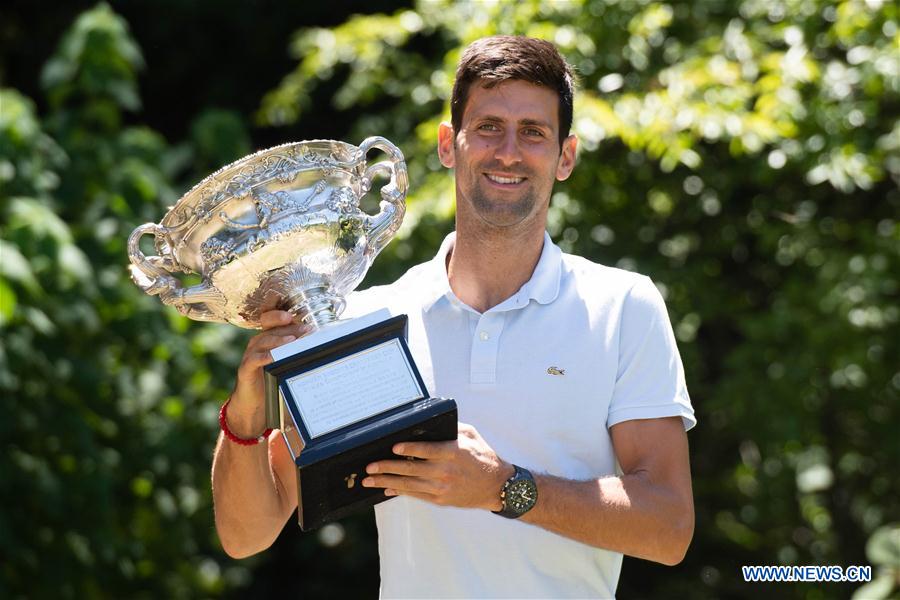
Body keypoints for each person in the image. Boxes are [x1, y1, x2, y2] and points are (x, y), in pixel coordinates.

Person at [212, 35, 696, 598]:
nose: (509, 152)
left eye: (533, 132)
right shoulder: (370, 319)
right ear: (449, 145)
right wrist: (246, 415)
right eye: (488, 126)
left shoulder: (623, 307)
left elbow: (669, 528)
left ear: (566, 157)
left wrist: (502, 488)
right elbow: (246, 535)